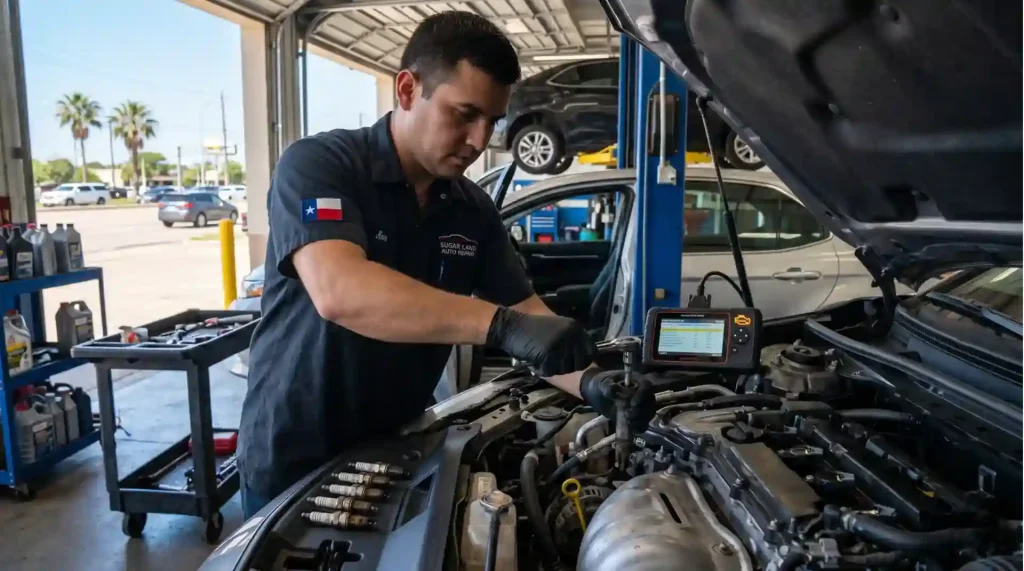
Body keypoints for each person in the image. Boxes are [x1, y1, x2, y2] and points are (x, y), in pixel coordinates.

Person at [238, 11, 655, 519]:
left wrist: (592, 382)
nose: (480, 140)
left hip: (395, 453)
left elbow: (528, 312)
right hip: (296, 457)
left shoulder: (471, 209)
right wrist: (501, 327)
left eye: (492, 122)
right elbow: (340, 292)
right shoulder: (321, 166)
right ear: (407, 90)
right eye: (464, 115)